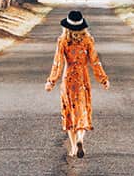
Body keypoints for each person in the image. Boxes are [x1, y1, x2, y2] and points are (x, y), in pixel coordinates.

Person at [45, 9, 109, 158]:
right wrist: (103, 79)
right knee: (82, 111)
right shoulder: (88, 40)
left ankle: (74, 147)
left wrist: (51, 81)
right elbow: (95, 61)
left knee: (69, 112)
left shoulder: (63, 41)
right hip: (82, 79)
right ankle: (80, 139)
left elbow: (58, 63)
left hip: (68, 80)